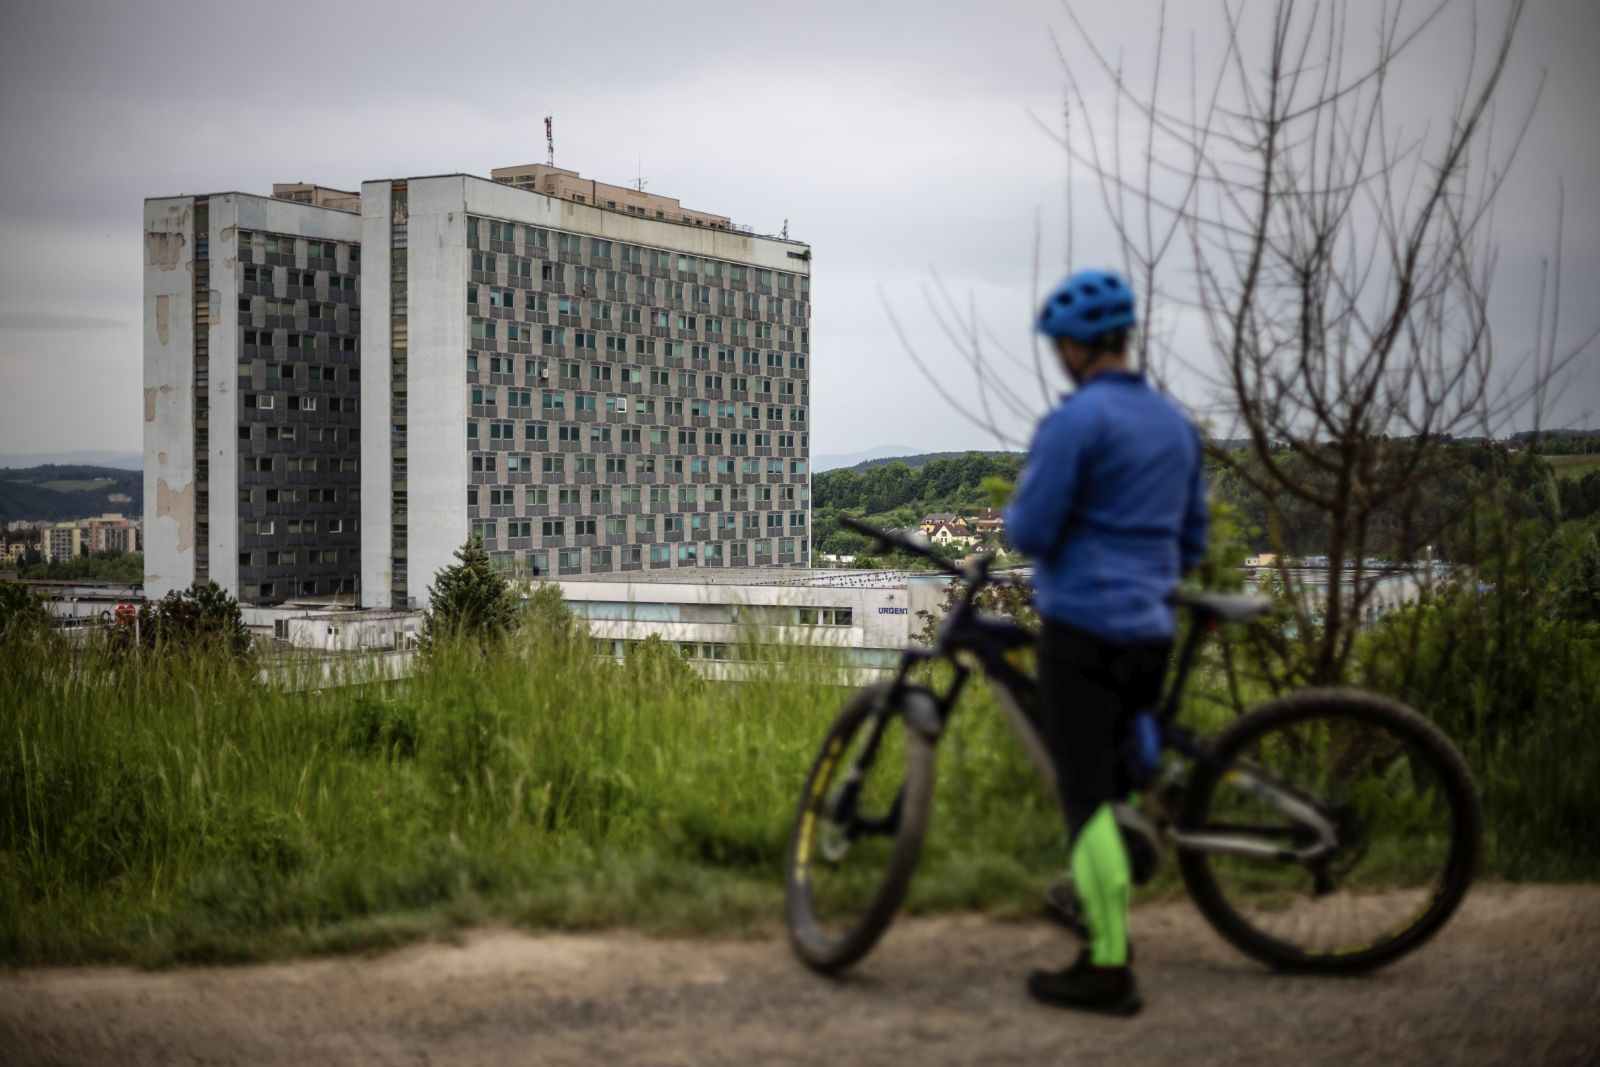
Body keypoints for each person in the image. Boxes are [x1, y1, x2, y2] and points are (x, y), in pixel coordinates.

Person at [1005, 268, 1209, 1015]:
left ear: (1074, 346)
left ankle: (1108, 966)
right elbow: (1192, 538)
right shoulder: (1173, 425)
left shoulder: (1075, 423)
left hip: (1083, 629)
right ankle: (1107, 895)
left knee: (1086, 798)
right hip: (1151, 630)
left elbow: (1028, 529)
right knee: (1118, 784)